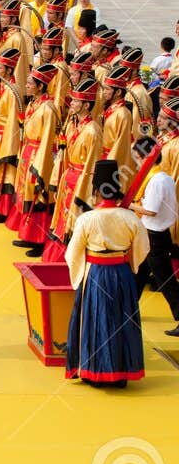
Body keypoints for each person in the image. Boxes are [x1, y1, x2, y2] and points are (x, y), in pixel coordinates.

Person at [64, 161, 149, 386]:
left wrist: (79, 274)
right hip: (121, 273)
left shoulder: (86, 219)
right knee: (121, 322)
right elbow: (143, 248)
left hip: (95, 273)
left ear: (96, 190)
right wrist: (130, 265)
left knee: (94, 320)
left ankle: (94, 371)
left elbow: (72, 253)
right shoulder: (130, 218)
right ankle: (121, 373)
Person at [127, 139, 179, 336]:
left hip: (155, 235)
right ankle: (129, 309)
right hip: (153, 234)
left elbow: (151, 211)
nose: (136, 162)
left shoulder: (156, 180)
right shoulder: (161, 177)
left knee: (165, 279)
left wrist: (129, 205)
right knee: (139, 273)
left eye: (137, 158)